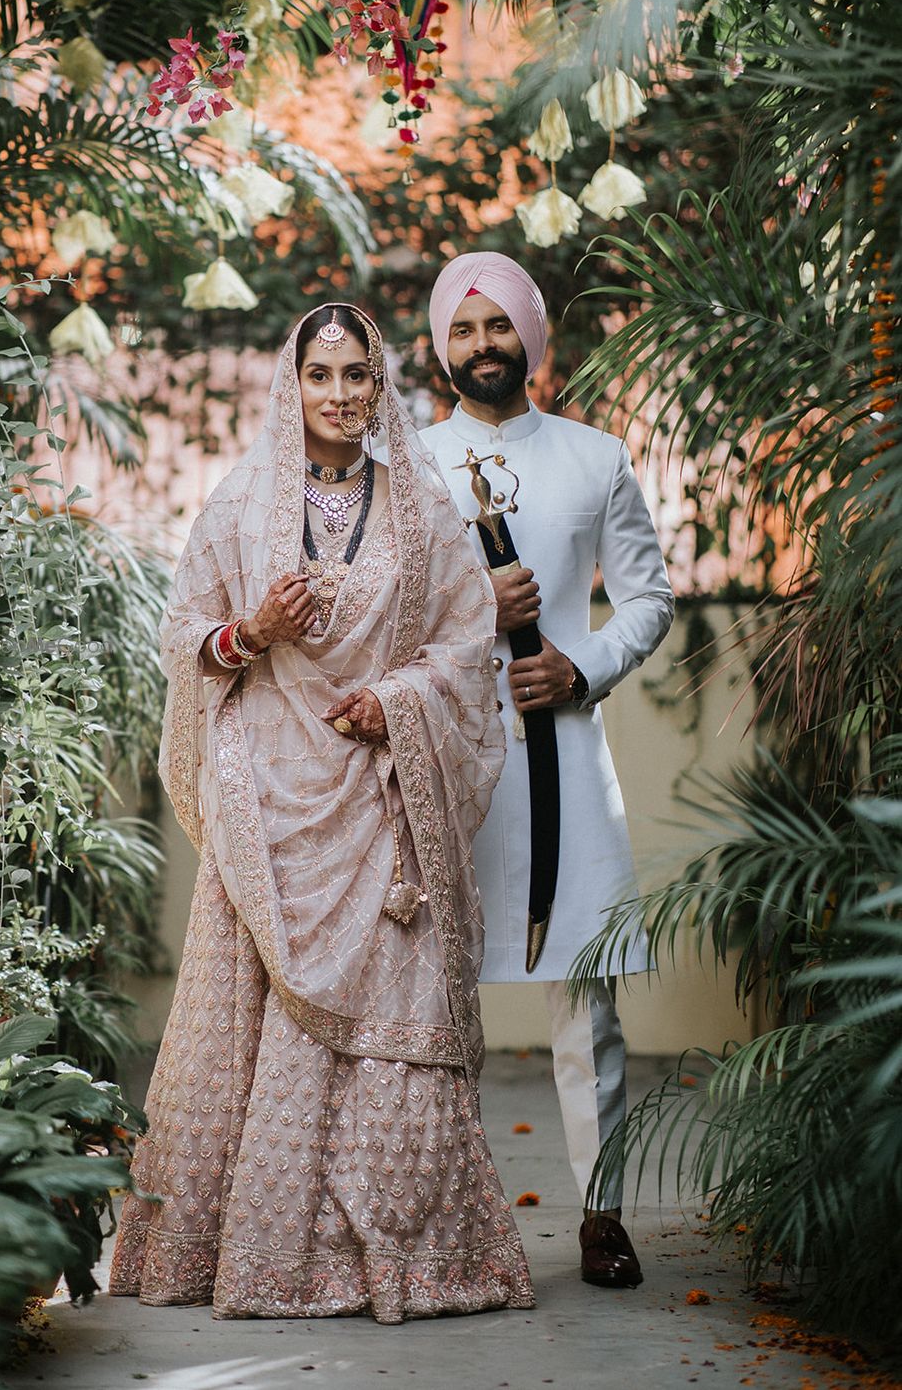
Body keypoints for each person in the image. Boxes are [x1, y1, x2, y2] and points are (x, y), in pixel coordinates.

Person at [109, 302, 534, 1323]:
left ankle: (397, 1252)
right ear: (288, 385)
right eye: (321, 375)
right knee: (252, 1035)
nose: (339, 396)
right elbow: (182, 636)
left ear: (380, 386)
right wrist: (251, 629)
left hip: (380, 804)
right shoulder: (241, 505)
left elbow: (463, 645)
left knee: (393, 1028)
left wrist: (394, 701)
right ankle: (244, 1256)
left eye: (358, 377)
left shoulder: (423, 512)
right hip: (269, 807)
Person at [420, 253, 675, 1290]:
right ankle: (436, 1215)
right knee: (430, 1007)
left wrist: (581, 666)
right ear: (441, 346)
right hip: (446, 760)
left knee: (588, 1005)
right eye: (463, 330)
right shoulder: (405, 463)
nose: (483, 346)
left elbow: (650, 600)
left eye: (499, 326)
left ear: (531, 334)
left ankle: (601, 1214)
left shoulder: (594, 456)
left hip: (564, 756)